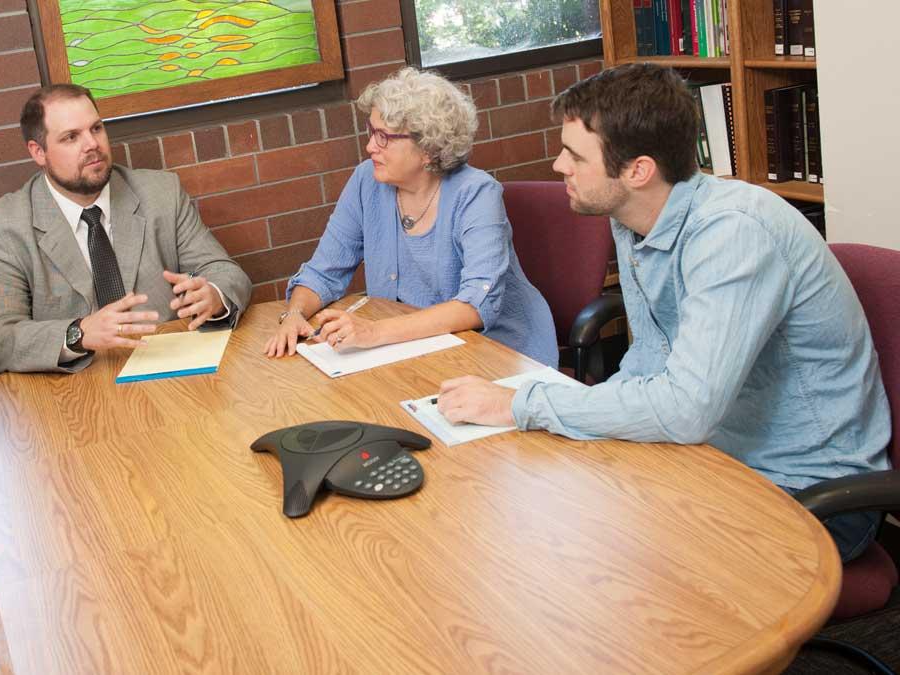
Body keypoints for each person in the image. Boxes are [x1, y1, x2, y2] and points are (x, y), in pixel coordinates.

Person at [436, 63, 891, 562]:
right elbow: (649, 363)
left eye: (574, 154)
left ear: (637, 170)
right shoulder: (634, 219)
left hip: (805, 495)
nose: (558, 166)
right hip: (711, 462)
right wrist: (556, 423)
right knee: (536, 509)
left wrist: (522, 404)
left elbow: (687, 409)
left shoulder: (732, 234)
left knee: (594, 565)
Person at [263, 68, 557, 367]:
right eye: (371, 131)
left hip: (499, 352)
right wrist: (294, 315)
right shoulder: (367, 180)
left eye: (384, 137)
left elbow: (476, 305)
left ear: (428, 148)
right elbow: (323, 272)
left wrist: (372, 332)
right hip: (413, 349)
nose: (370, 147)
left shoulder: (477, 194)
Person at [0, 84, 252, 377]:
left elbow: (226, 272)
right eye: (71, 137)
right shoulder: (3, 226)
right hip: (74, 396)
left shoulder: (160, 193)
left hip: (170, 374)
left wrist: (214, 295)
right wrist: (77, 333)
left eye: (96, 129)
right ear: (39, 152)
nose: (92, 144)